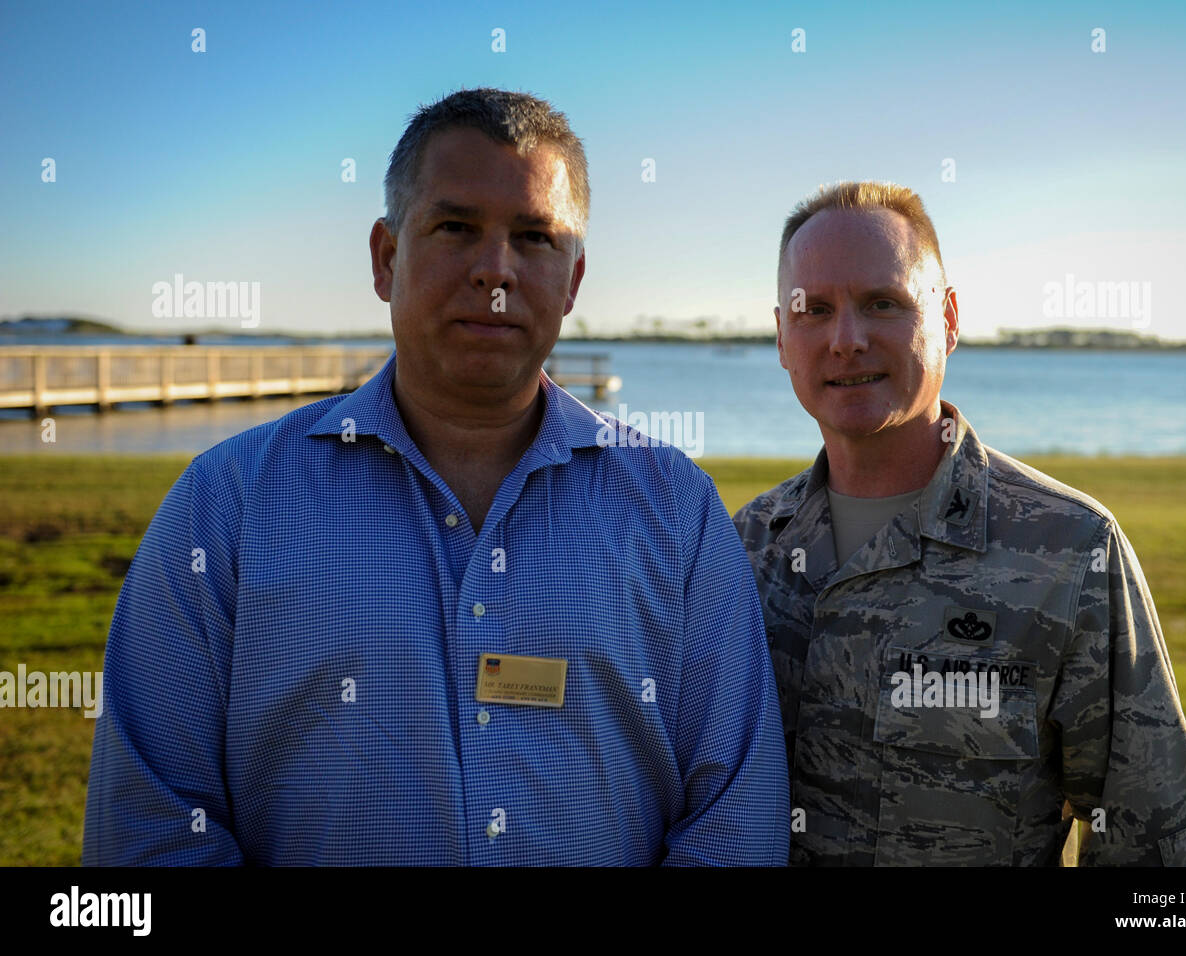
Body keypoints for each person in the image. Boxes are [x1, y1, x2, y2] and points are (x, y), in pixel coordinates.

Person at [83, 88, 788, 866]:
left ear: (574, 279)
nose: (496, 271)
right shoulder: (227, 505)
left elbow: (735, 826)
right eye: (456, 228)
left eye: (533, 237)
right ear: (387, 258)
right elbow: (149, 828)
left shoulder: (676, 512)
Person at [733, 181, 1186, 866]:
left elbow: (1157, 847)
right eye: (814, 310)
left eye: (884, 302)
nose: (846, 340)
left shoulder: (1070, 552)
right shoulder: (742, 547)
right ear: (783, 337)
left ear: (949, 319)